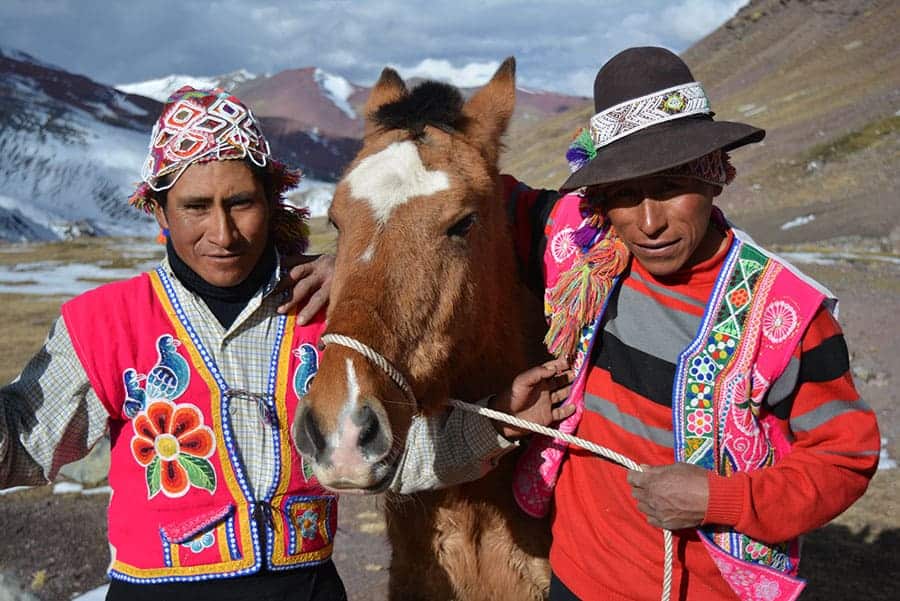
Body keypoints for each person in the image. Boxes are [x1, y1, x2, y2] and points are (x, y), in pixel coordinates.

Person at [0, 85, 568, 601]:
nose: (222, 234)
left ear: (272, 201)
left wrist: (494, 422)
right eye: (196, 207)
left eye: (241, 203)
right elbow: (23, 449)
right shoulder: (104, 323)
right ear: (158, 210)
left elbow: (389, 456)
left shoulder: (327, 319)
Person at [387, 47, 881, 600]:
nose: (649, 224)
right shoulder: (580, 246)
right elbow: (458, 206)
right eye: (624, 194)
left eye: (670, 187)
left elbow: (845, 458)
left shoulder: (786, 316)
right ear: (601, 201)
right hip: (573, 578)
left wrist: (720, 499)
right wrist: (354, 261)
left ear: (714, 176)